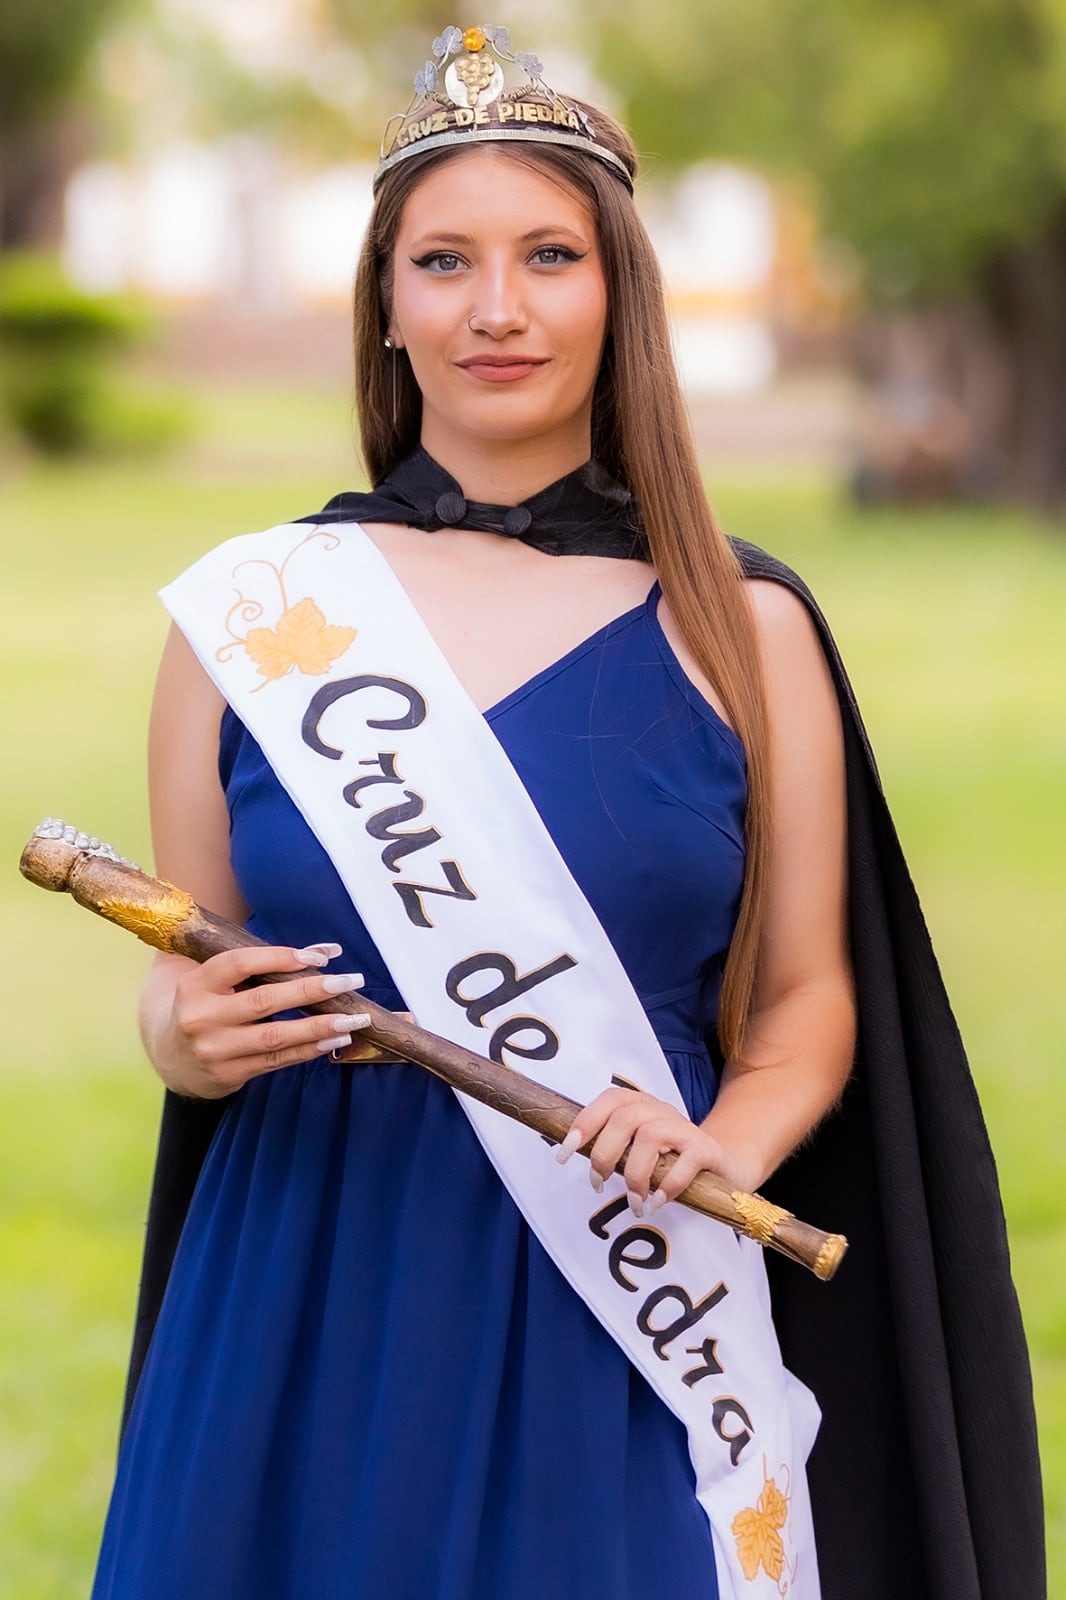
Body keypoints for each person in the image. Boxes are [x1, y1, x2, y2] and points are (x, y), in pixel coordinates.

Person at [90, 26, 1043, 1600]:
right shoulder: (250, 615)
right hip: (309, 1275)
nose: (498, 307)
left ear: (619, 297)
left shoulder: (745, 626)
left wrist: (716, 1150)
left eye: (549, 255)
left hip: (621, 1281)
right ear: (387, 308)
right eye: (443, 262)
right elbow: (191, 963)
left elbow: (806, 1004)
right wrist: (183, 1036)